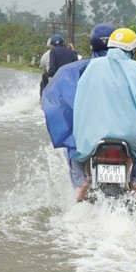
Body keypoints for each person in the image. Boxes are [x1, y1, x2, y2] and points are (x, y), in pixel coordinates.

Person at [72, 27, 136, 197]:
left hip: (94, 134)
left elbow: (81, 101)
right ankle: (135, 182)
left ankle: (82, 182)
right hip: (131, 134)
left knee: (73, 154)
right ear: (133, 50)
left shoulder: (93, 66)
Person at [41, 23, 117, 201]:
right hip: (124, 133)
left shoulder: (73, 71)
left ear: (92, 45)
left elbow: (57, 102)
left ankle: (82, 184)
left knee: (74, 152)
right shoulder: (132, 69)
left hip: (89, 136)